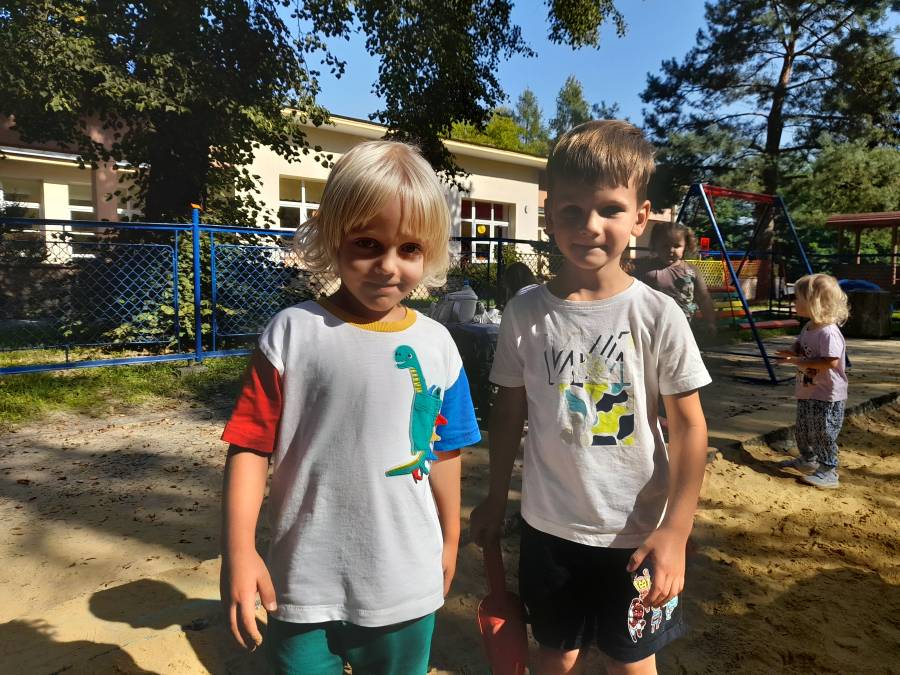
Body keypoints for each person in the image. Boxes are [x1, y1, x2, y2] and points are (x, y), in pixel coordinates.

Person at [220, 140, 481, 674]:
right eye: (367, 243)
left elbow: (447, 451)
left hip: (406, 582)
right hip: (300, 582)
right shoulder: (291, 333)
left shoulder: (438, 345)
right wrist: (239, 551)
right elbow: (249, 447)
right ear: (332, 236)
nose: (388, 266)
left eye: (410, 248)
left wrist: (451, 539)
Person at [470, 120, 712, 675]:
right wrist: (495, 496)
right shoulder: (525, 313)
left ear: (641, 217)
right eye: (573, 211)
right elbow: (508, 414)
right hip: (548, 529)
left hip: (638, 531)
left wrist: (676, 529)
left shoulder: (657, 315)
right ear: (549, 215)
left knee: (632, 661)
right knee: (557, 652)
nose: (590, 226)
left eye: (609, 209)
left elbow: (689, 427)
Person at [775, 273, 849, 489]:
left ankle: (829, 471)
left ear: (814, 302)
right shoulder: (809, 327)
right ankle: (808, 460)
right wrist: (791, 352)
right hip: (808, 389)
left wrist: (796, 360)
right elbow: (800, 345)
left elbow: (830, 362)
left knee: (822, 432)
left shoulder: (828, 332)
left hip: (827, 394)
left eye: (798, 298)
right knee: (803, 429)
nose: (794, 301)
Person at [634, 221, 716, 333]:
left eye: (677, 246)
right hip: (652, 326)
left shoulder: (691, 271)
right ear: (655, 245)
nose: (671, 250)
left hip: (684, 327)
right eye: (665, 246)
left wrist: (710, 322)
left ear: (685, 246)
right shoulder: (645, 269)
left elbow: (703, 298)